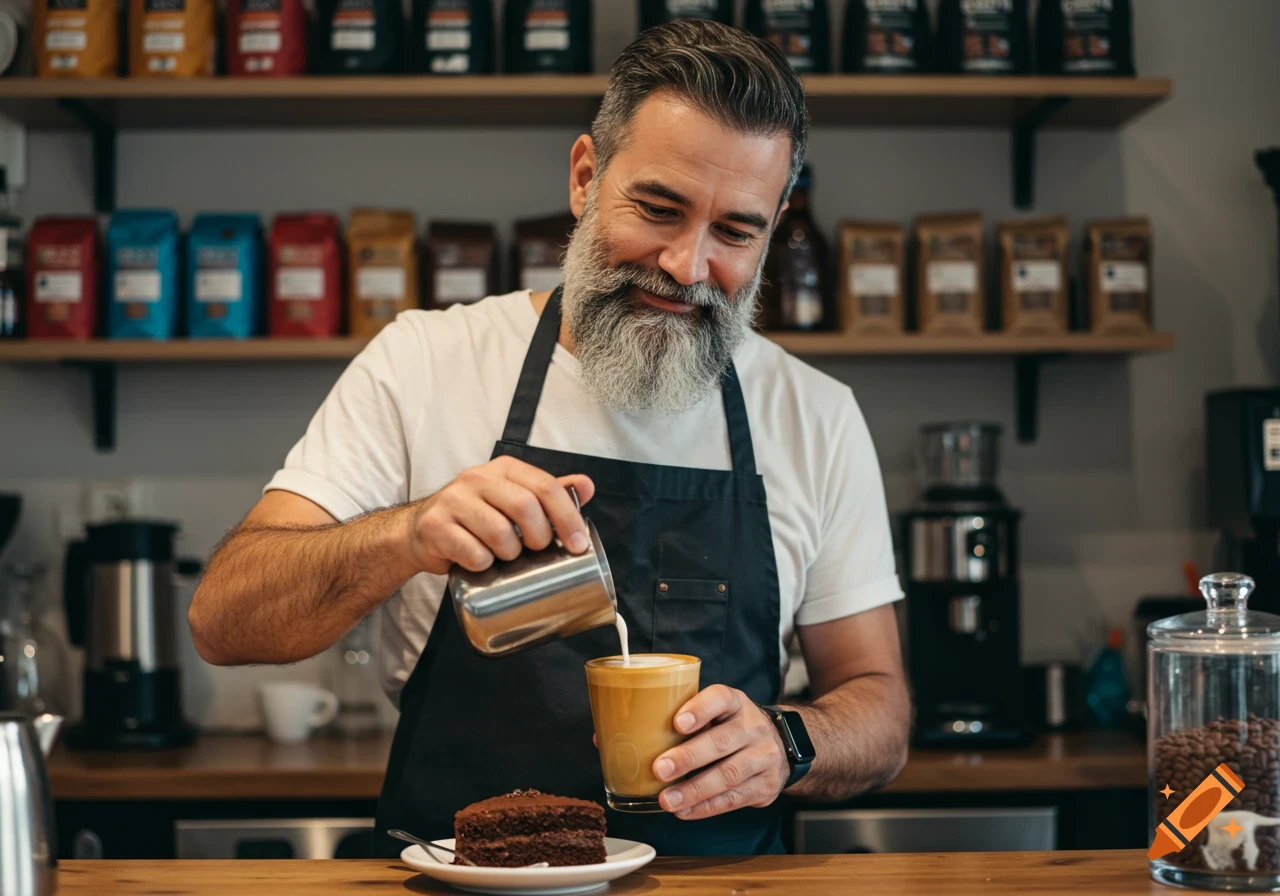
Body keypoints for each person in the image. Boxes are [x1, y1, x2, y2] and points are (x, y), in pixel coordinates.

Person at [188, 19, 911, 857]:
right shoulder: (427, 361)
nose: (687, 265)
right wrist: (407, 534)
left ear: (777, 223)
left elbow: (880, 709)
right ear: (584, 177)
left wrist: (790, 745)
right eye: (658, 208)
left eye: (736, 231)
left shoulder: (813, 414)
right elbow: (223, 619)